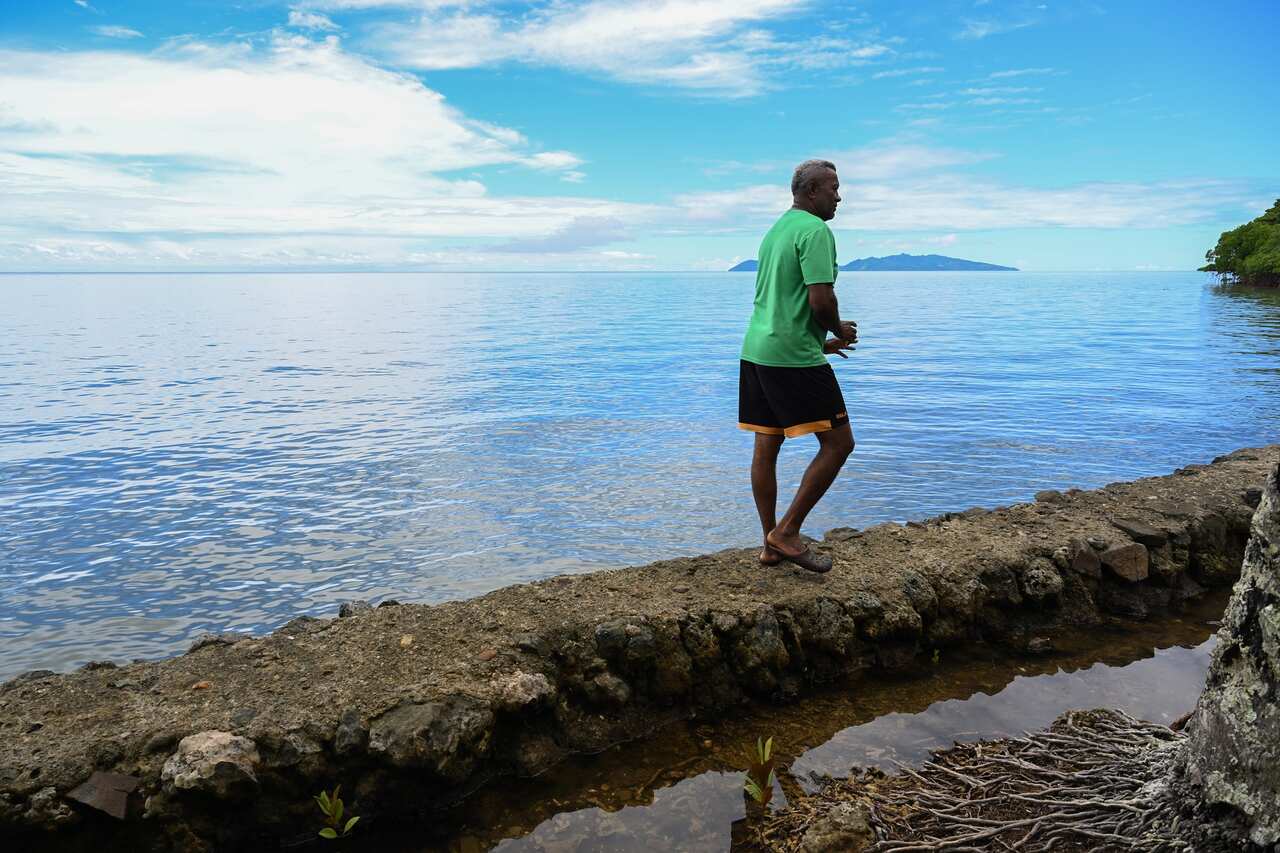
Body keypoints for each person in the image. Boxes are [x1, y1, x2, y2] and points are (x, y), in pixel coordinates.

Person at [738, 159, 857, 574]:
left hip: (758, 351)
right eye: (833, 188)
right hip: (791, 359)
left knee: (767, 445)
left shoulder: (777, 231)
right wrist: (837, 328)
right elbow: (820, 299)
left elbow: (780, 302)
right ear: (811, 192)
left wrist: (818, 340)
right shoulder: (815, 230)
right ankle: (787, 532)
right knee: (839, 444)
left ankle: (770, 544)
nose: (838, 197)